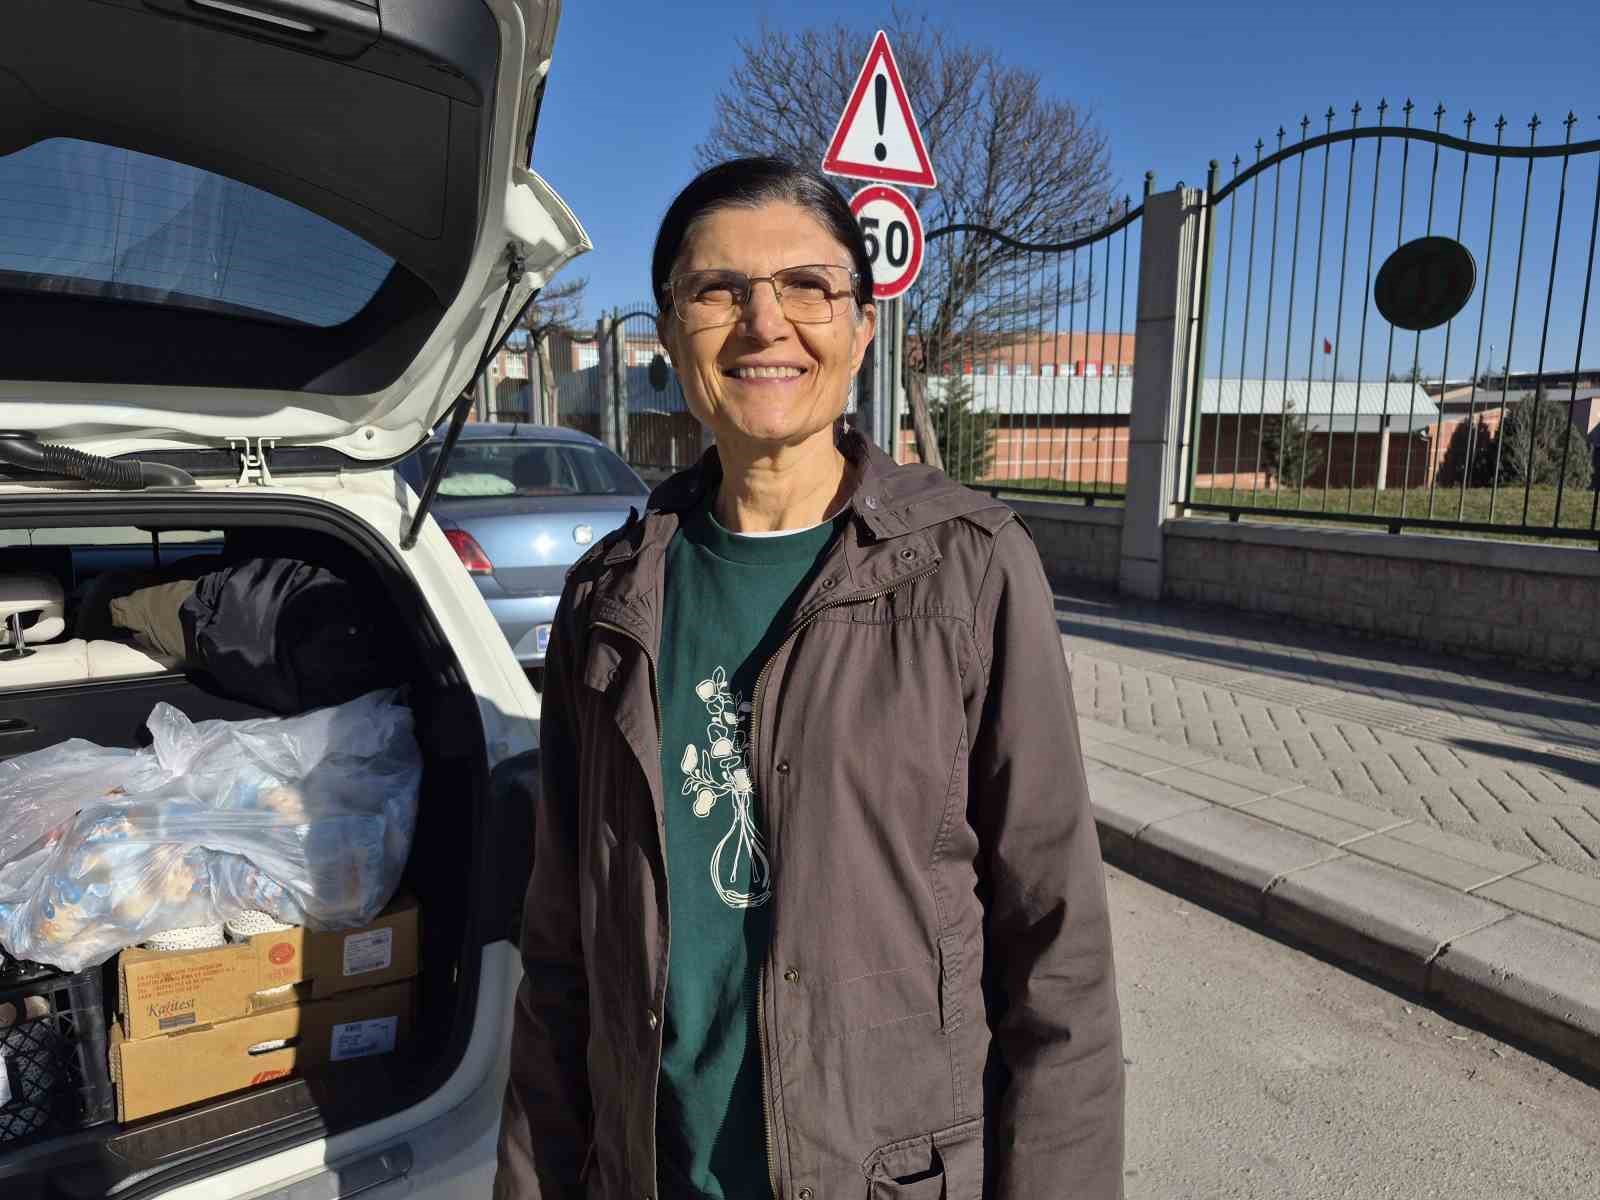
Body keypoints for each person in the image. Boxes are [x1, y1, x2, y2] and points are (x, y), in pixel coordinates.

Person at [495, 156, 1125, 1200]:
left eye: (807, 286)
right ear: (667, 330)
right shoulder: (606, 601)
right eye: (718, 290)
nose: (764, 323)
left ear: (862, 324)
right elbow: (560, 951)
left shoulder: (966, 570)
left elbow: (1055, 947)